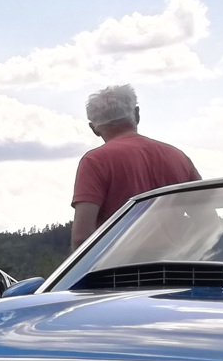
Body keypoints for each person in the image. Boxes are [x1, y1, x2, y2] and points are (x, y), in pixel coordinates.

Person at [70, 84, 200, 245]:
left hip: (122, 260)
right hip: (176, 259)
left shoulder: (95, 161)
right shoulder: (178, 157)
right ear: (137, 114)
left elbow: (82, 236)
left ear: (93, 129)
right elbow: (207, 218)